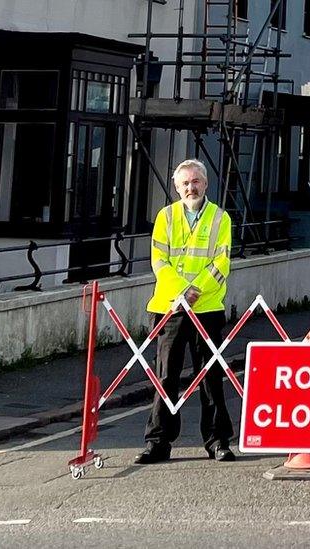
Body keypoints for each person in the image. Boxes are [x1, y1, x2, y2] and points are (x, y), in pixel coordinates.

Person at [135, 159, 236, 465]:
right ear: (177, 188)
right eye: (185, 184)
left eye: (196, 182)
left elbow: (222, 263)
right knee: (166, 376)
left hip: (206, 307)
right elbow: (159, 261)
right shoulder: (165, 217)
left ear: (206, 184)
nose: (191, 188)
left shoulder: (221, 218)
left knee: (210, 377)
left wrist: (196, 291)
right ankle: (158, 442)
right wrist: (182, 291)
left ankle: (218, 441)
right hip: (170, 308)